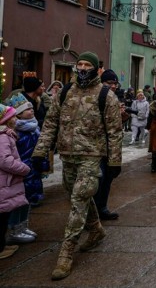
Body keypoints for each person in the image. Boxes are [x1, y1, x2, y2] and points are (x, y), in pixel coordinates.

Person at [31, 51, 123, 280]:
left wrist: (114, 161)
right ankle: (96, 230)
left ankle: (66, 253)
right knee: (77, 194)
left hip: (92, 155)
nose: (82, 68)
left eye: (87, 65)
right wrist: (40, 151)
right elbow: (51, 123)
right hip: (68, 154)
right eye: (79, 64)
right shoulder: (64, 93)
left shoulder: (105, 95)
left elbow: (114, 132)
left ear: (94, 68)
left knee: (78, 199)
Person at [5, 94, 42, 245]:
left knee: (27, 199)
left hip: (31, 168)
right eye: (27, 109)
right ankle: (14, 229)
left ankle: (23, 226)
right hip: (20, 170)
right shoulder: (14, 132)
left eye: (32, 108)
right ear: (18, 114)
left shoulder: (34, 127)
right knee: (17, 201)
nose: (31, 111)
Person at [93, 69, 124, 221]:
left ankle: (102, 208)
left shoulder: (114, 98)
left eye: (115, 83)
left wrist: (122, 116)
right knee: (97, 180)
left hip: (111, 146)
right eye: (109, 83)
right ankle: (92, 214)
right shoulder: (98, 96)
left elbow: (115, 126)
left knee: (108, 179)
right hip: (96, 147)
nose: (113, 86)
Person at [0, 104, 31, 260]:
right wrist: (23, 168)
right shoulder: (3, 137)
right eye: (12, 116)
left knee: (4, 214)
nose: (15, 118)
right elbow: (4, 160)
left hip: (6, 182)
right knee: (2, 216)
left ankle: (3, 244)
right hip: (4, 182)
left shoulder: (6, 134)